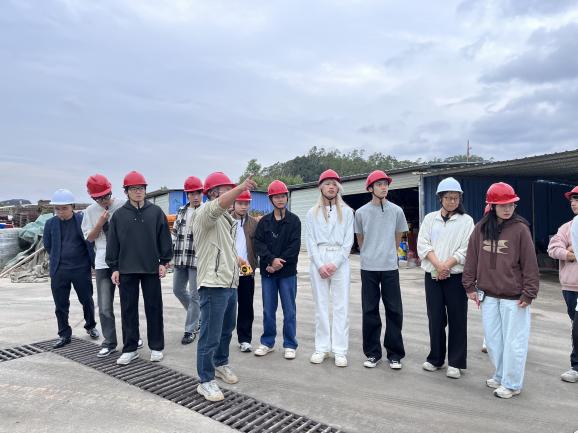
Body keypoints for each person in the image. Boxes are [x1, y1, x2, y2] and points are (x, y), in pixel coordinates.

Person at [463, 182, 539, 399]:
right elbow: (472, 257)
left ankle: (512, 384)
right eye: (502, 205)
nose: (507, 209)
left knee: (514, 342)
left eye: (511, 204)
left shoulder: (520, 229)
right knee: (493, 341)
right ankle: (500, 375)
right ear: (492, 206)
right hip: (488, 295)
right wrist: (469, 285)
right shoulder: (480, 228)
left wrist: (529, 292)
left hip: (514, 298)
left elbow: (530, 263)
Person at [193, 172, 257, 402]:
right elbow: (217, 206)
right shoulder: (204, 212)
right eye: (227, 189)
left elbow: (222, 248)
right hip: (213, 284)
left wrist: (238, 260)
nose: (234, 194)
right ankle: (205, 381)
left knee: (226, 329)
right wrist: (241, 187)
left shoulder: (227, 221)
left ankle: (220, 363)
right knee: (210, 334)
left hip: (229, 282)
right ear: (212, 192)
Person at [106, 171, 173, 365]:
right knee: (128, 310)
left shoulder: (156, 212)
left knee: (154, 308)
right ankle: (130, 348)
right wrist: (114, 267)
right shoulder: (119, 216)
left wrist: (164, 262)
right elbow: (113, 243)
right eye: (134, 188)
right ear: (126, 191)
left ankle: (156, 347)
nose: (138, 192)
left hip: (151, 268)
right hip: (126, 269)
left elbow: (164, 239)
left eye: (141, 188)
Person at [417, 177, 474, 379]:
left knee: (458, 319)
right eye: (448, 198)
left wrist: (447, 266)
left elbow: (466, 248)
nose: (452, 201)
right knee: (435, 318)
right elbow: (423, 244)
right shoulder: (430, 219)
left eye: (456, 198)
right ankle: (436, 358)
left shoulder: (466, 221)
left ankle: (456, 362)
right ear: (440, 198)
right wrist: (438, 266)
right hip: (432, 275)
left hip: (455, 277)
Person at [82, 174, 143, 357]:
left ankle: (133, 338)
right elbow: (89, 238)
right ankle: (109, 342)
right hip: (103, 263)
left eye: (106, 196)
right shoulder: (90, 212)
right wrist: (100, 223)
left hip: (125, 260)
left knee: (128, 303)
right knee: (104, 305)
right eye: (99, 198)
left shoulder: (124, 205)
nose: (104, 200)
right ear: (93, 197)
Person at [355, 170, 408, 369]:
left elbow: (398, 236)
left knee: (394, 310)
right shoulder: (361, 212)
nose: (384, 187)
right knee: (369, 310)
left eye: (386, 184)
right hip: (368, 267)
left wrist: (388, 253)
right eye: (379, 184)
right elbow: (360, 239)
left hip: (389, 267)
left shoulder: (397, 211)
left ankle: (395, 354)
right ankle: (372, 353)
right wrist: (370, 253)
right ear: (370, 188)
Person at [305, 169, 354, 367]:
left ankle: (340, 350)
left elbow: (348, 241)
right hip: (319, 257)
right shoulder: (312, 213)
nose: (331, 187)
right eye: (327, 184)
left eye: (334, 184)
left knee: (341, 306)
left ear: (338, 188)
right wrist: (319, 264)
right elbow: (310, 241)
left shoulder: (348, 212)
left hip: (339, 260)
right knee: (321, 306)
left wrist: (335, 263)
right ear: (321, 187)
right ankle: (322, 348)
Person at [43, 188, 99, 348]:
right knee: (60, 304)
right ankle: (64, 334)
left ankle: (91, 326)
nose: (61, 212)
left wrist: (92, 264)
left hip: (80, 268)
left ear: (72, 207)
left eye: (64, 208)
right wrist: (58, 259)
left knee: (86, 299)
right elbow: (47, 245)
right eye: (57, 209)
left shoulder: (82, 220)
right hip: (59, 270)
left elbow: (89, 243)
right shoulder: (50, 224)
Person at [253, 180, 302, 360]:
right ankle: (267, 342)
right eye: (276, 197)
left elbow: (294, 246)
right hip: (268, 272)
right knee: (268, 309)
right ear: (271, 199)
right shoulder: (264, 222)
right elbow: (258, 243)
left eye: (283, 196)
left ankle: (290, 344)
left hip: (287, 273)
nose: (280, 200)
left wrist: (279, 263)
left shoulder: (294, 221)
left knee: (289, 310)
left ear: (287, 198)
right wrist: (270, 260)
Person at [547, 185, 578, 383]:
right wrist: (570, 254)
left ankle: (576, 366)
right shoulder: (566, 228)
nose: (573, 203)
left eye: (577, 199)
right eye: (572, 200)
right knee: (576, 326)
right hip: (571, 287)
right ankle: (576, 366)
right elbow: (553, 248)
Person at [172, 176, 203, 345]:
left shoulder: (205, 211)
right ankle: (198, 317)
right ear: (187, 195)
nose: (195, 196)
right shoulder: (181, 211)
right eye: (192, 194)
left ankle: (190, 329)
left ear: (202, 193)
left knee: (195, 295)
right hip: (180, 258)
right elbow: (175, 234)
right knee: (177, 290)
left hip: (196, 260)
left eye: (198, 193)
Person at [230, 190, 258, 353]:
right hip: (228, 271)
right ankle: (222, 338)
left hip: (247, 271)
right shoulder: (225, 221)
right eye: (240, 203)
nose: (243, 206)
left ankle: (245, 339)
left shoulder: (254, 223)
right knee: (227, 307)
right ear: (233, 203)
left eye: (246, 203)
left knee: (246, 306)